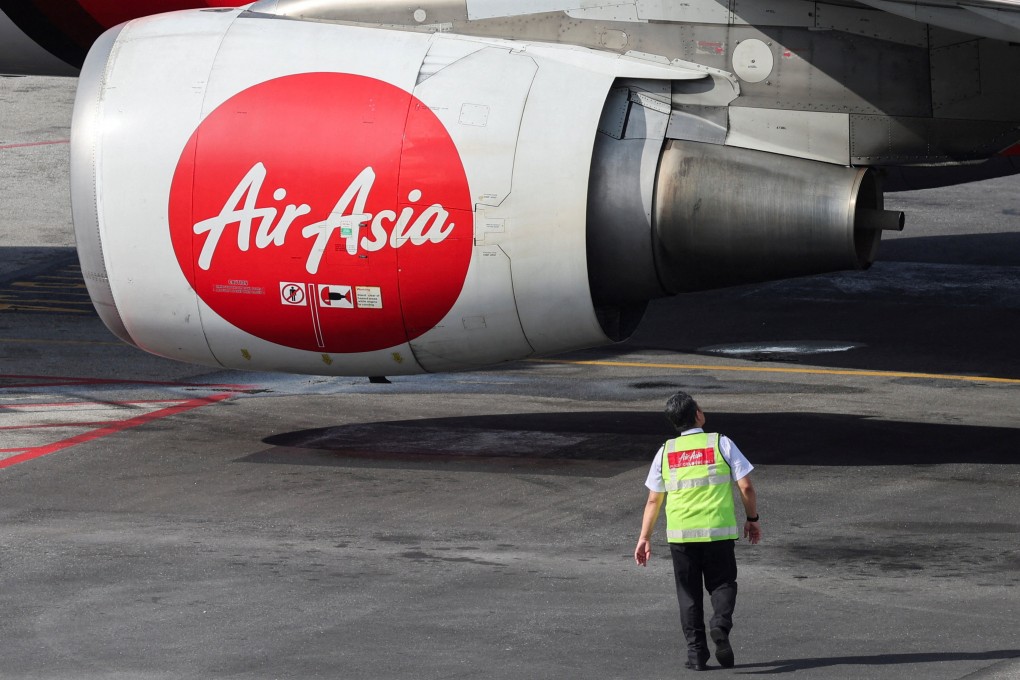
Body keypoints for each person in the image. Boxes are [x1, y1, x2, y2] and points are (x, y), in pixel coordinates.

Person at [634, 391, 761, 671]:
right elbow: (746, 486)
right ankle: (720, 625)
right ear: (699, 415)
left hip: (681, 536)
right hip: (718, 532)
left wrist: (645, 537)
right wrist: (752, 517)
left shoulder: (665, 452)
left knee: (689, 596)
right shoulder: (721, 443)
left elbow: (654, 499)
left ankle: (697, 656)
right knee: (723, 584)